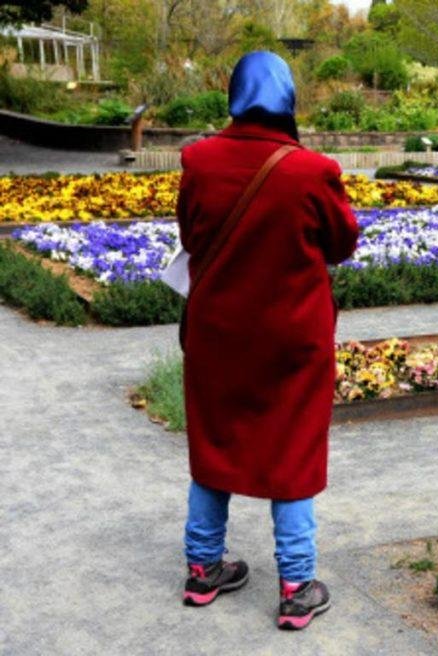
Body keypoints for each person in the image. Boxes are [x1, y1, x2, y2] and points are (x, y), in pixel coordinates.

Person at [174, 51, 359, 631]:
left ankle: (203, 571)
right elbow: (341, 243)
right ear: (287, 99)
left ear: (233, 95)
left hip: (218, 336)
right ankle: (297, 585)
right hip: (290, 341)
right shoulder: (311, 170)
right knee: (293, 450)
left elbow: (189, 233)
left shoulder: (199, 161)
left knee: (214, 445)